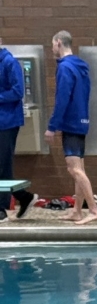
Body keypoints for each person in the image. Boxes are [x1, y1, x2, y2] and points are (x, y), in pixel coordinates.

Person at [44, 31, 97, 226]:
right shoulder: (80, 66)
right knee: (80, 168)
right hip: (82, 121)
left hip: (70, 123)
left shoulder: (65, 68)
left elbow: (62, 98)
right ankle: (77, 211)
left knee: (74, 169)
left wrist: (52, 126)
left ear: (58, 43)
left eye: (52, 45)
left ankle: (93, 210)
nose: (52, 49)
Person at [0, 36, 35, 222]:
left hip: (7, 122)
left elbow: (18, 91)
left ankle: (1, 209)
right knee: (4, 168)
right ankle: (24, 197)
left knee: (1, 166)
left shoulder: (9, 62)